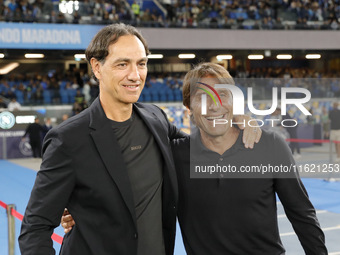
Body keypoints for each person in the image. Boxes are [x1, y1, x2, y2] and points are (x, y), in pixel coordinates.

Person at [19, 24, 260, 255]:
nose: (135, 75)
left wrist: (237, 120)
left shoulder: (155, 117)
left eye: (141, 64)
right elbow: (35, 228)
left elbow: (198, 146)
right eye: (122, 64)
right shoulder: (68, 139)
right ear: (97, 67)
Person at [62, 63, 327, 254]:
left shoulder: (269, 145)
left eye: (222, 95)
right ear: (188, 109)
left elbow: (302, 215)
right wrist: (80, 209)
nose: (213, 105)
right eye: (203, 98)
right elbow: (128, 193)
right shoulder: (174, 155)